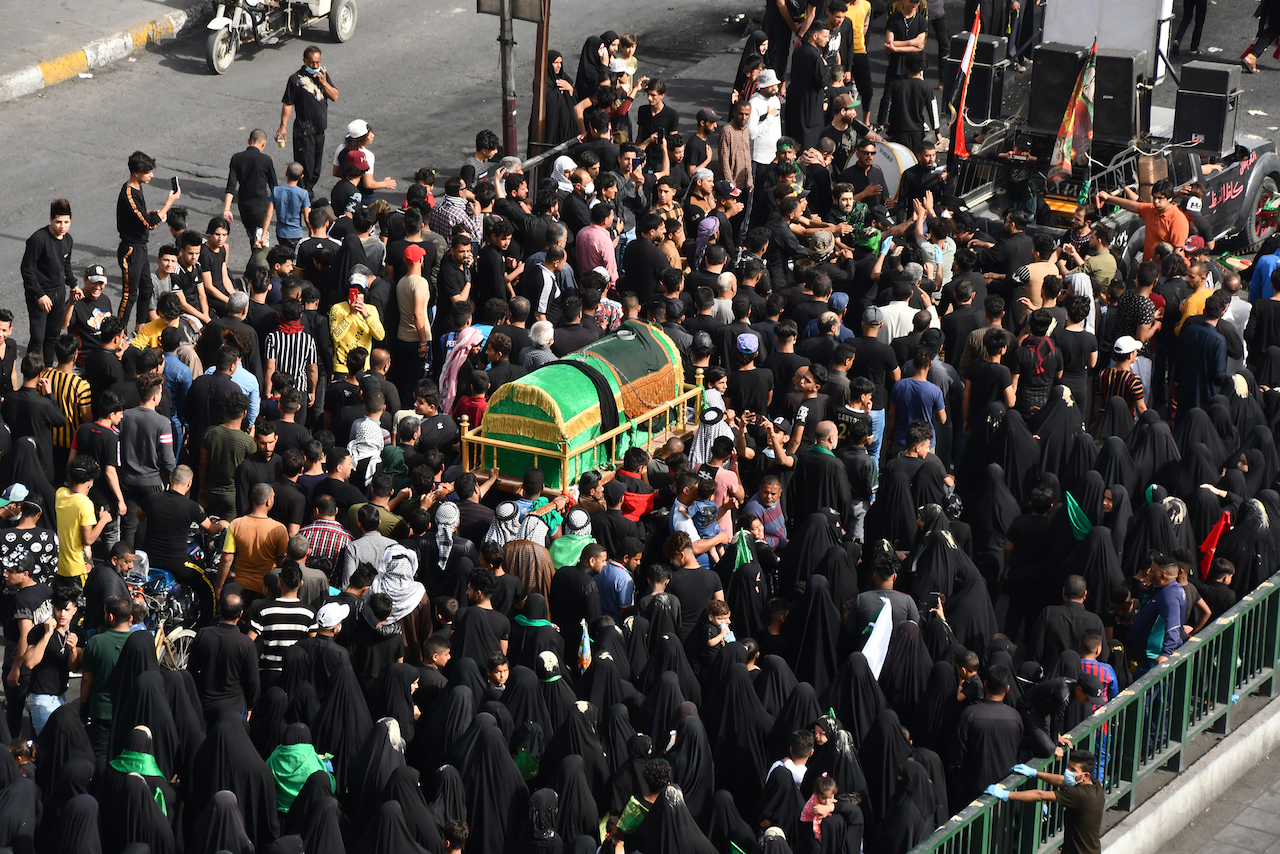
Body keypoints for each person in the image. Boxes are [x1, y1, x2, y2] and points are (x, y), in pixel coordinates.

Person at [986, 750, 1103, 854]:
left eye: (1073, 770)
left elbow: (1040, 795)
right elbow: (1063, 781)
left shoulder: (1078, 794)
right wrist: (1035, 773)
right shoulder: (1094, 784)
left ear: (1085, 775)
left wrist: (1006, 794)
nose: (1067, 771)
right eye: (1068, 767)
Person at [116, 150, 182, 329]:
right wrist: (169, 202)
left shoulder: (138, 188)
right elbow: (149, 224)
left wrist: (152, 214)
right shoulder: (129, 194)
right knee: (130, 295)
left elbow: (143, 217)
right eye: (148, 172)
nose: (152, 175)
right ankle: (118, 333)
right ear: (137, 173)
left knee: (146, 290)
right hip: (131, 250)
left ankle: (140, 327)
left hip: (141, 248)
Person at [188, 592, 261, 724]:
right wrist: (251, 705)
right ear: (240, 614)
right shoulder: (246, 643)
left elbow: (191, 670)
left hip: (203, 703)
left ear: (220, 609)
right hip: (233, 707)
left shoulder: (203, 634)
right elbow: (253, 680)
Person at [81, 595, 133, 772]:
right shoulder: (138, 643)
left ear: (110, 617)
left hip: (101, 710)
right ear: (130, 618)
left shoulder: (96, 642)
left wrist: (83, 705)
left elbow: (87, 679)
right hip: (128, 711)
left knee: (101, 754)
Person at [277, 46, 339, 192]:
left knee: (316, 169)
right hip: (304, 132)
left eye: (317, 62)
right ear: (305, 61)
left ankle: (307, 194)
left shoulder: (323, 76)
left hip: (319, 131)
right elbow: (288, 104)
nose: (315, 66)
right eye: (312, 63)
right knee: (305, 169)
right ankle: (305, 198)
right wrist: (283, 126)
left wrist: (324, 82)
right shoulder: (295, 80)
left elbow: (335, 96)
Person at [21, 198, 76, 365]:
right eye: (58, 221)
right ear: (51, 220)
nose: (62, 226)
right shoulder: (38, 240)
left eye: (66, 222)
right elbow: (27, 270)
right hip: (40, 296)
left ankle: (49, 371)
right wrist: (40, 294)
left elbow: (66, 266)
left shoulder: (68, 240)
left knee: (53, 336)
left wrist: (74, 285)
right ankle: (31, 375)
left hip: (59, 293)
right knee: (38, 338)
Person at [217, 483, 290, 606]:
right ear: (268, 502)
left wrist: (219, 586)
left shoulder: (236, 524)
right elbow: (281, 562)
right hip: (267, 589)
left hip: (241, 587)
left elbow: (226, 559)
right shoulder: (279, 529)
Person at [22, 588, 80, 733]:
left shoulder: (78, 633)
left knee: (60, 742)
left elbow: (75, 667)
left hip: (62, 696)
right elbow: (29, 662)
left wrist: (73, 650)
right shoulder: (39, 631)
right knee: (46, 743)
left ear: (74, 610)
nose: (62, 614)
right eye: (58, 609)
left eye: (66, 609)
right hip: (41, 697)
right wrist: (47, 635)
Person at [223, 129, 279, 249]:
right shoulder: (266, 160)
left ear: (248, 141)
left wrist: (227, 209)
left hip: (244, 207)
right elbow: (274, 186)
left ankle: (255, 265)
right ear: (264, 143)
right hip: (261, 208)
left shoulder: (236, 158)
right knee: (261, 242)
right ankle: (257, 266)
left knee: (252, 238)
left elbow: (231, 186)